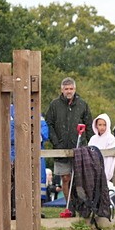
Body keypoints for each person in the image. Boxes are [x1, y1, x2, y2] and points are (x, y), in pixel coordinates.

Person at [43, 77, 92, 212]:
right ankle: (69, 205)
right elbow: (49, 124)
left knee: (79, 179)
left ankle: (81, 205)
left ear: (75, 89)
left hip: (79, 148)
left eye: (71, 88)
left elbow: (88, 126)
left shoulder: (83, 104)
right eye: (66, 89)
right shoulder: (54, 105)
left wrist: (90, 145)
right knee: (65, 178)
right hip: (61, 148)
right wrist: (56, 142)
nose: (68, 91)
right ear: (62, 90)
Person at [88, 113, 115, 186]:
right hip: (94, 171)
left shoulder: (111, 139)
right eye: (100, 125)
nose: (102, 127)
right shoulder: (93, 139)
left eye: (104, 125)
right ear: (96, 125)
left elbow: (110, 160)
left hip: (106, 172)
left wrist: (106, 175)